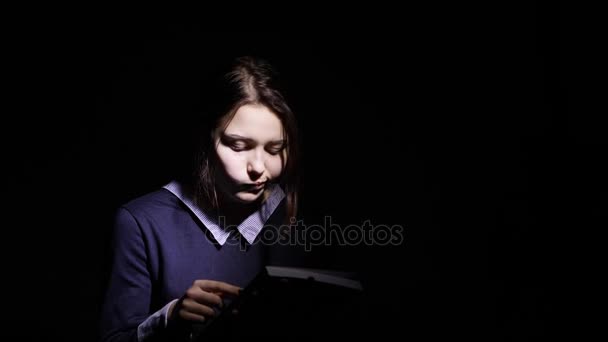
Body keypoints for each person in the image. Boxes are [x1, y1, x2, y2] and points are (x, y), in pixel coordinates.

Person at [99, 56, 303, 342]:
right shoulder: (142, 222)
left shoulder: (292, 215)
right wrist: (169, 318)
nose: (258, 166)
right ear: (205, 139)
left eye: (275, 148)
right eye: (238, 145)